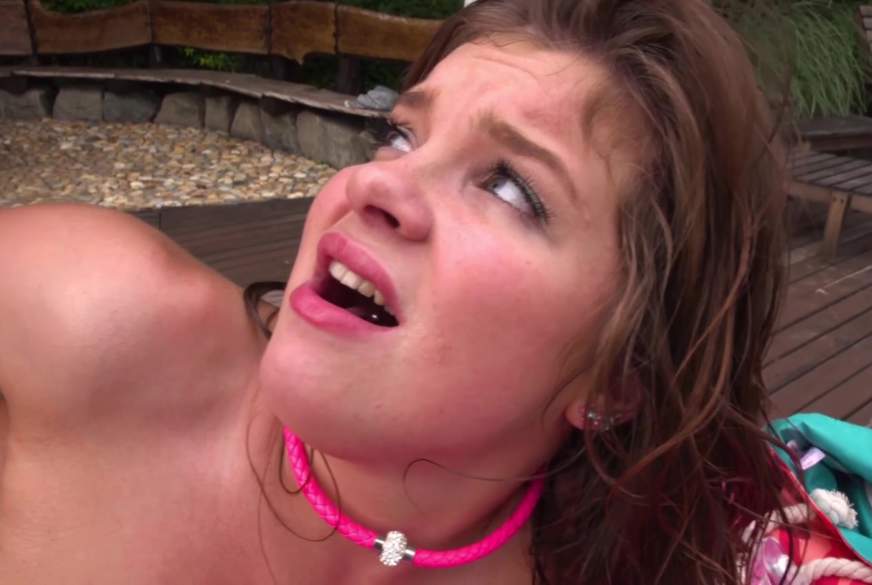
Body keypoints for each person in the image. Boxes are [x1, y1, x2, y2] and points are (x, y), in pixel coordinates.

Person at [1, 1, 869, 584]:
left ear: (617, 376)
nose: (375, 184)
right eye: (400, 134)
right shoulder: (88, 316)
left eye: (510, 187)